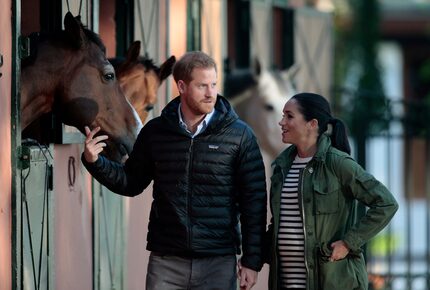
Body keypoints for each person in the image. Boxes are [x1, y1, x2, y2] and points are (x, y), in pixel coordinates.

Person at [82, 51, 267, 290]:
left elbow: (254, 202)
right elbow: (130, 181)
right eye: (202, 86)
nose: (211, 93)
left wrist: (252, 261)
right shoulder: (156, 132)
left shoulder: (240, 136)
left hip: (218, 262)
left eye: (213, 84)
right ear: (182, 86)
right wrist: (95, 161)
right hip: (166, 262)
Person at [265, 92, 398, 290]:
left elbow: (386, 203)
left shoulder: (338, 163)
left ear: (312, 123)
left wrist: (348, 243)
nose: (281, 122)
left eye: (289, 116)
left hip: (332, 282)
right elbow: (277, 226)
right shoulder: (282, 167)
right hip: (286, 282)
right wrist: (250, 260)